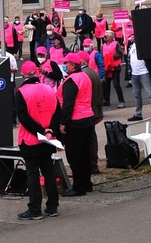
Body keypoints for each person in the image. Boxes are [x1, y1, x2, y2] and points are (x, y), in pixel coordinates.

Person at [15, 60, 60, 220]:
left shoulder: (22, 92)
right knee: (49, 171)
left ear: (23, 74)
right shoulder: (48, 89)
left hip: (30, 140)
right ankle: (53, 206)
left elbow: (24, 119)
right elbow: (57, 112)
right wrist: (50, 131)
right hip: (48, 140)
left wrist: (40, 131)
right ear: (37, 72)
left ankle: (35, 209)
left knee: (32, 174)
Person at [58, 53, 94, 196]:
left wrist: (63, 123)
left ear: (73, 65)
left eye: (66, 63)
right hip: (87, 117)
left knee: (74, 155)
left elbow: (68, 104)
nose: (65, 66)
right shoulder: (84, 76)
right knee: (85, 153)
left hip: (76, 120)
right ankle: (86, 183)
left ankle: (78, 187)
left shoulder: (71, 80)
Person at [127, 38, 151, 121]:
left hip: (144, 72)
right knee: (136, 95)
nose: (132, 38)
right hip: (134, 73)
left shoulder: (144, 46)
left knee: (150, 94)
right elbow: (128, 58)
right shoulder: (131, 46)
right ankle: (138, 114)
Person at [101, 30, 126, 108]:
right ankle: (106, 100)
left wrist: (111, 57)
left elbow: (120, 53)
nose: (105, 37)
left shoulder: (116, 44)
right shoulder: (104, 45)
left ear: (111, 37)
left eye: (106, 36)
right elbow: (103, 55)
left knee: (116, 84)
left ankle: (121, 101)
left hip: (115, 67)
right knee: (106, 84)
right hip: (107, 67)